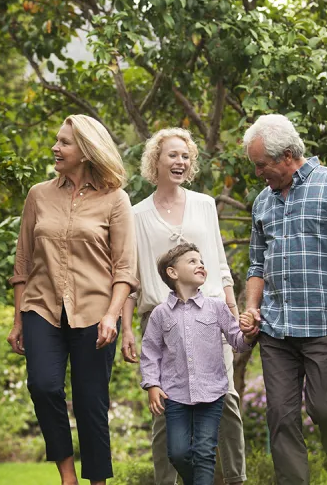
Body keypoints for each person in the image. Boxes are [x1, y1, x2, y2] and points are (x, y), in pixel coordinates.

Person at [6, 115, 138, 485]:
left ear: (86, 150)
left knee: (90, 403)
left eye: (64, 143)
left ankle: (97, 481)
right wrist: (18, 320)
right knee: (43, 386)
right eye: (57, 141)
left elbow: (125, 269)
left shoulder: (115, 199)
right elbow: (23, 263)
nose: (55, 148)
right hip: (41, 307)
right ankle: (68, 477)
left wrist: (112, 316)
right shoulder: (38, 194)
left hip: (96, 311)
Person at [242, 114, 327, 485]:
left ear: (286, 156)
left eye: (261, 165)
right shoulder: (262, 202)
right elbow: (256, 264)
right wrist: (252, 306)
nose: (257, 173)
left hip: (323, 325)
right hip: (276, 330)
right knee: (280, 419)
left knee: (326, 410)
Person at [120, 128, 248, 485]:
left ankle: (236, 479)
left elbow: (220, 265)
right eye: (172, 155)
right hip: (162, 322)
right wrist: (127, 328)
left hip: (210, 318)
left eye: (185, 156)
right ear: (155, 161)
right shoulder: (136, 214)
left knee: (227, 400)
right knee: (163, 408)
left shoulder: (205, 205)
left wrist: (233, 311)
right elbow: (130, 278)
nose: (180, 162)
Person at [140, 243, 257, 485]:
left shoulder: (216, 307)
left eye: (201, 261)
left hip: (212, 393)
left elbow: (237, 340)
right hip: (175, 395)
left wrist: (248, 334)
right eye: (192, 261)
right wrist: (152, 384)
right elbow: (150, 352)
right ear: (172, 273)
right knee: (178, 453)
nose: (200, 265)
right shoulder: (160, 314)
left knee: (204, 453)